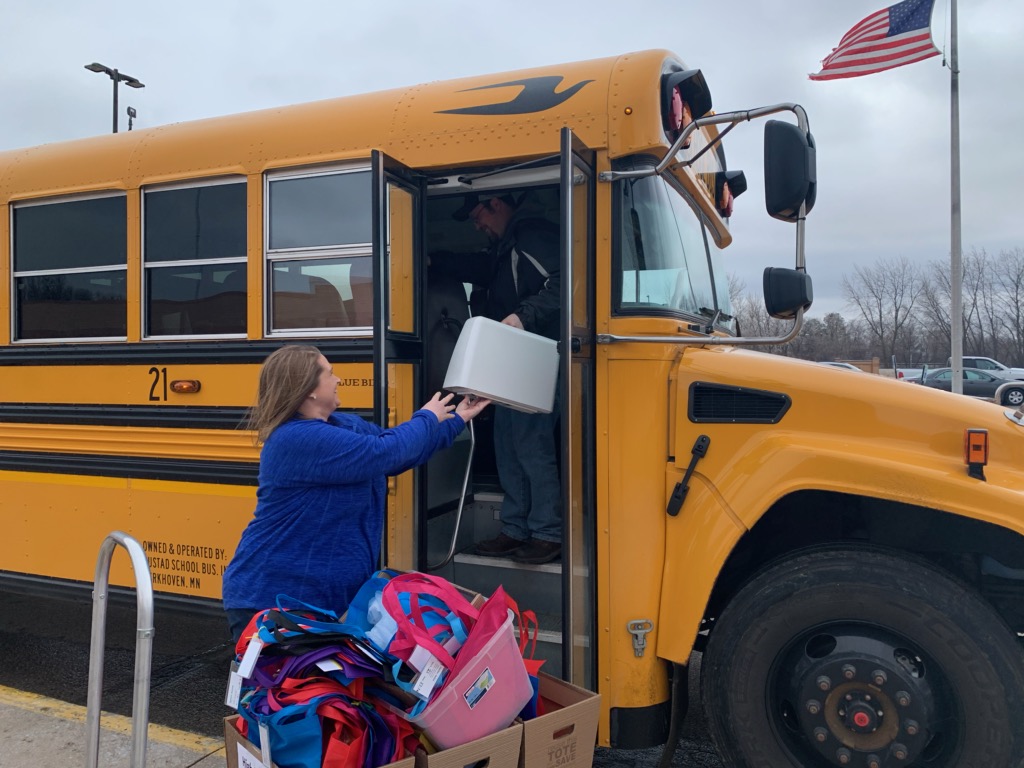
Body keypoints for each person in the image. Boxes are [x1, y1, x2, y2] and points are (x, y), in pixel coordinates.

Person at [221, 344, 490, 643]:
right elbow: (384, 451)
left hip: (321, 600)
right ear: (308, 388)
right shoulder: (295, 438)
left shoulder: (343, 426)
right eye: (330, 373)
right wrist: (427, 417)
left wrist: (458, 418)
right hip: (275, 600)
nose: (338, 379)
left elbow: (399, 453)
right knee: (289, 689)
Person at [431, 192, 562, 565]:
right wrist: (433, 260)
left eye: (478, 216)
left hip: (534, 355)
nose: (477, 226)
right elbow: (481, 268)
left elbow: (566, 281)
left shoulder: (532, 234)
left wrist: (524, 316)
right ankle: (516, 528)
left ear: (496, 203)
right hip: (511, 357)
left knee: (530, 443)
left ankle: (548, 531)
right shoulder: (508, 246)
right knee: (507, 441)